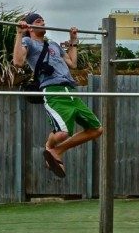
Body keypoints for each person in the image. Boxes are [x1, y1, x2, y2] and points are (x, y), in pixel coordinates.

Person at [13, 13, 103, 178]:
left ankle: (57, 151)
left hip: (71, 91)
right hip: (53, 91)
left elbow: (73, 63)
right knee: (62, 133)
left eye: (43, 20)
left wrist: (73, 40)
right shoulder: (28, 42)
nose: (44, 23)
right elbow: (18, 62)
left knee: (96, 129)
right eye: (39, 21)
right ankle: (49, 147)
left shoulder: (53, 44)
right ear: (31, 27)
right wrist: (19, 33)